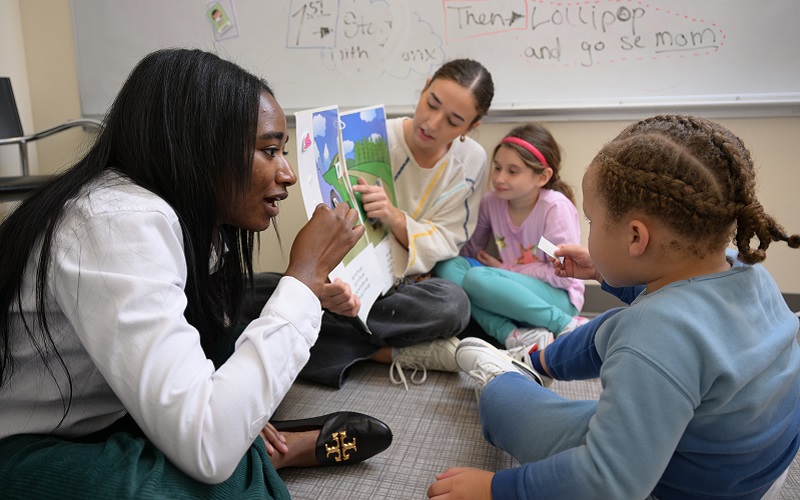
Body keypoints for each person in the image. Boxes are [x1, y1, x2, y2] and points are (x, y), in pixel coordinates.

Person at [0, 48, 392, 499]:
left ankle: (255, 448)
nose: (286, 172)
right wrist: (302, 278)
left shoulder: (199, 225)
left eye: (283, 151)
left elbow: (208, 352)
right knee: (175, 485)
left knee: (248, 352)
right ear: (198, 147)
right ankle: (276, 454)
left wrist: (304, 293)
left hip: (112, 409)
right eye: (269, 150)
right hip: (29, 442)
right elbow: (207, 445)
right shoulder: (115, 222)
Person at [429, 114, 800, 499]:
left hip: (681, 488)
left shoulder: (655, 336)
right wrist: (602, 271)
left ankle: (504, 376)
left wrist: (496, 489)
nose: (588, 228)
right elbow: (680, 299)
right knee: (616, 324)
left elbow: (605, 482)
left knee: (503, 402)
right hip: (751, 465)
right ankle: (535, 361)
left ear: (635, 237)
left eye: (591, 219)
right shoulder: (741, 267)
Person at [242, 58, 495, 389]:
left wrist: (394, 216)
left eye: (453, 121)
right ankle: (390, 352)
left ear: (472, 126)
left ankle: (322, 335)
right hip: (347, 283)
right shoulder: (373, 136)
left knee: (454, 304)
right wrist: (334, 286)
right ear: (425, 86)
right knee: (244, 292)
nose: (432, 123)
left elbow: (449, 237)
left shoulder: (471, 160)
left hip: (407, 289)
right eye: (431, 103)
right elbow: (331, 213)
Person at [434, 123, 586, 352]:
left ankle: (564, 324)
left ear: (542, 177)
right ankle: (513, 335)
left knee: (476, 279)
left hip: (557, 298)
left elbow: (563, 275)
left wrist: (505, 268)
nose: (499, 178)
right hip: (506, 290)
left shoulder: (554, 209)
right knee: (448, 266)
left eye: (512, 171)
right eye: (497, 168)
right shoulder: (491, 202)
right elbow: (470, 252)